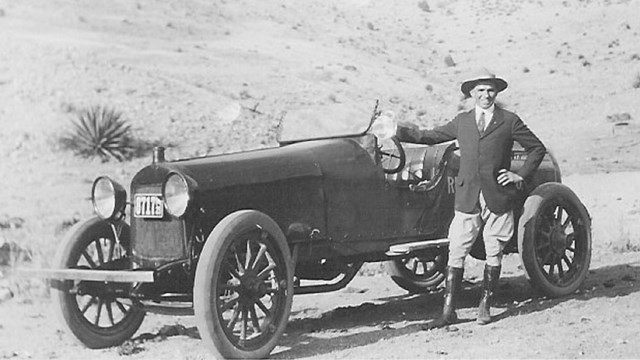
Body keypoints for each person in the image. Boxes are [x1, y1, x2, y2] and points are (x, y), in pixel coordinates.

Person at [395, 68, 546, 327]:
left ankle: (485, 306)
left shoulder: (509, 120)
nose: (486, 95)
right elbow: (429, 136)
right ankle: (448, 312)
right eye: (480, 91)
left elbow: (536, 148)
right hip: (467, 196)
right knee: (457, 248)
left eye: (490, 90)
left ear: (496, 93)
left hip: (497, 195)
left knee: (493, 249)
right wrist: (396, 131)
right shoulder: (462, 121)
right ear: (471, 94)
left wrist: (519, 175)